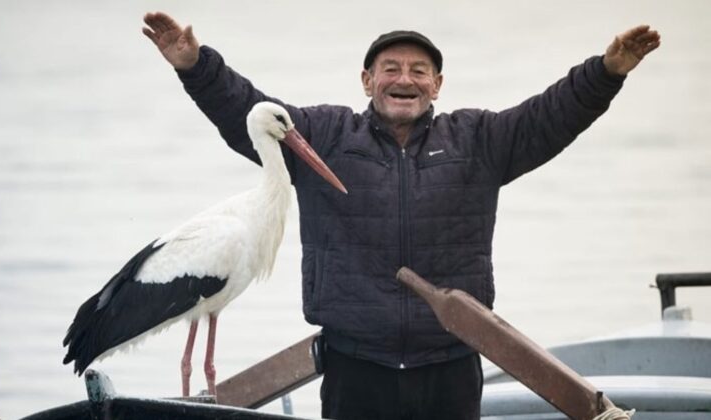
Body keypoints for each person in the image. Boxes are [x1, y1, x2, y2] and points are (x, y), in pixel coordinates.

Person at [142, 13, 659, 420]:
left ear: (437, 85)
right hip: (355, 368)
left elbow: (551, 117)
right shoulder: (324, 137)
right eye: (390, 69)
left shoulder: (479, 141)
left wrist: (606, 72)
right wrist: (195, 66)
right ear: (367, 81)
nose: (403, 79)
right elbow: (247, 113)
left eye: (418, 71)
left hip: (451, 365)